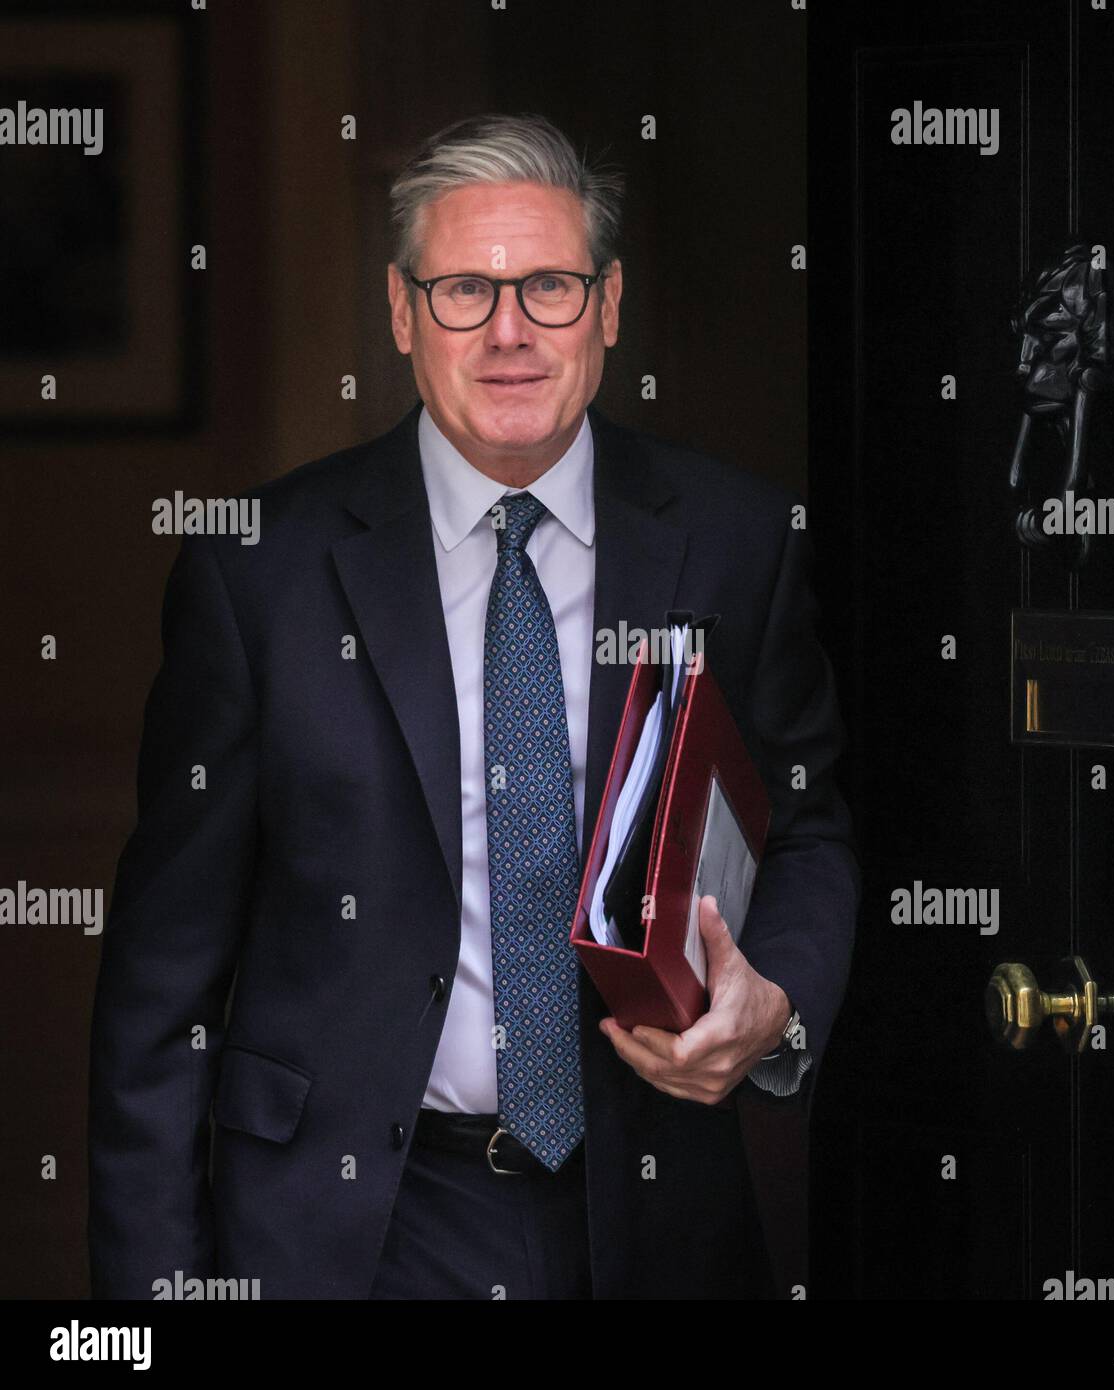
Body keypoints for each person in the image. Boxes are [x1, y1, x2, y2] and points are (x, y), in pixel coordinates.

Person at [87, 112, 859, 1300]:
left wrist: (776, 1002)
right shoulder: (259, 574)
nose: (508, 331)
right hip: (349, 1234)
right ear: (401, 316)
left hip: (649, 1217)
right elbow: (159, 988)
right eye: (462, 291)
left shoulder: (735, 541)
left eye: (548, 285)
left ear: (608, 307)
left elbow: (805, 827)